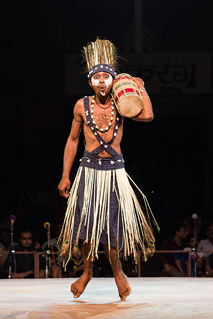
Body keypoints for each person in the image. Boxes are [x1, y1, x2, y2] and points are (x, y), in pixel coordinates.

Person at [57, 38, 156, 301]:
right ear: (90, 82)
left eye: (106, 77)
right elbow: (73, 140)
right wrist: (66, 175)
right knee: (87, 227)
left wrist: (140, 87)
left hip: (114, 172)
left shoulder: (121, 104)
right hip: (88, 170)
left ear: (113, 80)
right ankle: (87, 272)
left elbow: (147, 116)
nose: (102, 81)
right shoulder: (81, 105)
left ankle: (118, 273)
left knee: (112, 228)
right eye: (97, 77)